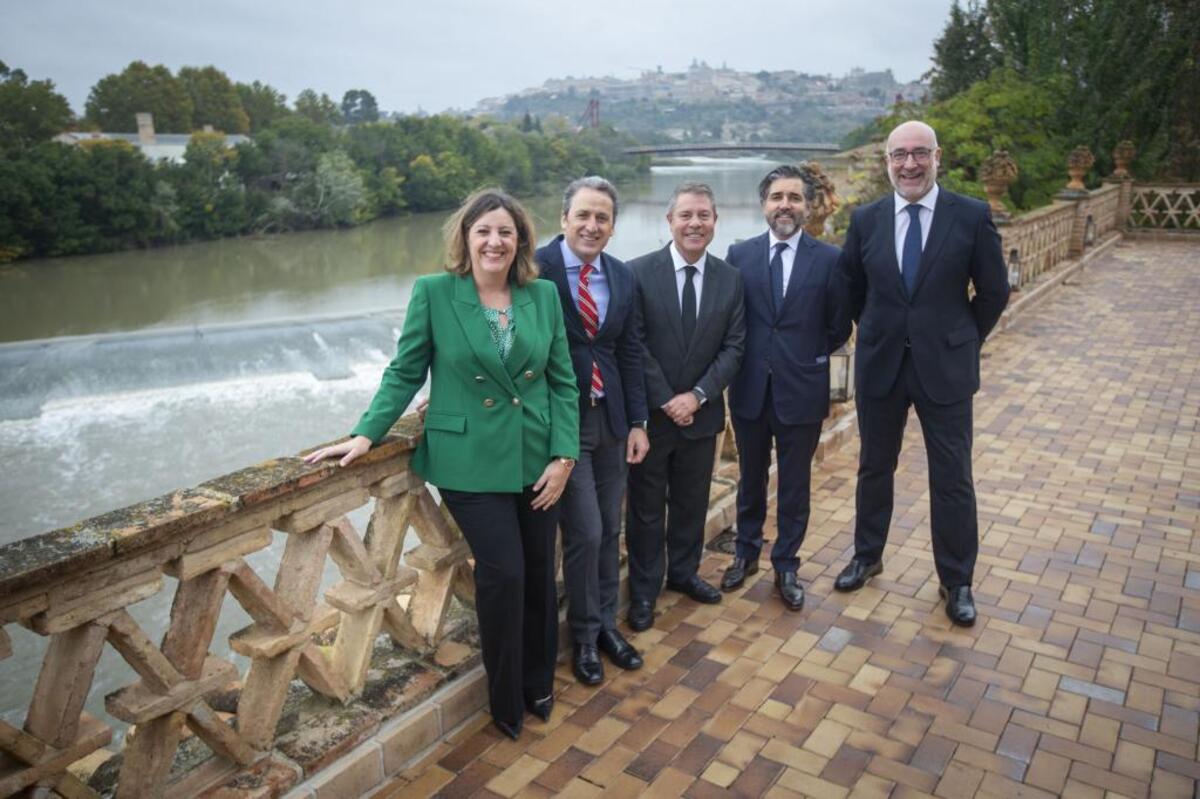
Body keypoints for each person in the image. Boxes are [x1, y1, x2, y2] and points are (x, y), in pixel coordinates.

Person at [304, 189, 580, 739]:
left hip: (537, 459)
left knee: (539, 577)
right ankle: (505, 699)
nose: (494, 241)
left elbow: (562, 380)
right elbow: (406, 371)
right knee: (503, 576)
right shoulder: (434, 293)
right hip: (468, 462)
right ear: (466, 238)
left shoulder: (543, 295)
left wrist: (565, 454)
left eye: (505, 232)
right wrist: (366, 433)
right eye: (484, 231)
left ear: (520, 240)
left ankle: (538, 682)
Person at [836, 121, 1009, 626]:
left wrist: (963, 339)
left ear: (937, 157)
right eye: (898, 156)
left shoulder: (971, 216)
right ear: (887, 163)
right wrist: (871, 331)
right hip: (881, 365)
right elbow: (851, 287)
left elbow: (994, 291)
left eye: (918, 154)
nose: (908, 164)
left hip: (946, 370)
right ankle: (867, 556)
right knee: (873, 467)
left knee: (953, 477)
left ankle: (956, 580)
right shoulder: (865, 219)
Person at [535, 177, 650, 685]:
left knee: (610, 530)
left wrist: (639, 421)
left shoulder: (622, 277)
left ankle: (606, 626)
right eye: (583, 214)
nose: (592, 225)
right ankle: (582, 638)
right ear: (564, 219)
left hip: (612, 420)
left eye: (602, 217)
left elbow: (629, 351)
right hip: (562, 423)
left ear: (612, 226)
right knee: (585, 532)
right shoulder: (533, 268)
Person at [721, 165, 850, 610]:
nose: (785, 205)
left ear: (807, 206)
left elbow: (838, 327)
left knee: (795, 485)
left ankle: (787, 564)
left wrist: (804, 361)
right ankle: (745, 553)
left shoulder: (831, 259)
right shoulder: (739, 255)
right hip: (750, 390)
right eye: (777, 197)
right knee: (750, 479)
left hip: (802, 390)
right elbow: (731, 320)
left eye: (794, 198)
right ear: (764, 205)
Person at [625, 182, 745, 631]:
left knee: (693, 502)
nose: (695, 224)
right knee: (645, 508)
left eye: (704, 216)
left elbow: (735, 347)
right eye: (686, 216)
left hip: (703, 415)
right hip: (651, 420)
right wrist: (667, 400)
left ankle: (684, 573)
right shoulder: (636, 273)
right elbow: (633, 343)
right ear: (669, 221)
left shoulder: (730, 278)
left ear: (715, 221)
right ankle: (642, 592)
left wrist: (696, 396)